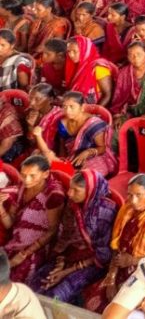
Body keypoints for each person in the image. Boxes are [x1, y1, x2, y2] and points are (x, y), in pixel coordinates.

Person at [30, 169, 115, 302]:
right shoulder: (73, 205)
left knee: (57, 294)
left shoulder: (104, 212)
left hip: (94, 261)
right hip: (70, 253)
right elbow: (65, 235)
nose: (69, 194)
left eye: (76, 190)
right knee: (38, 282)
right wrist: (60, 263)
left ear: (90, 191)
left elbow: (104, 255)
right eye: (70, 188)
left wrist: (66, 271)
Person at [87, 174, 145, 311]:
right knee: (94, 302)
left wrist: (133, 260)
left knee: (131, 310)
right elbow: (116, 247)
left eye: (139, 195)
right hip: (122, 268)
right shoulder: (126, 210)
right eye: (130, 195)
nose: (133, 201)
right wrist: (111, 277)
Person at [0, 156, 64, 284]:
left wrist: (24, 254)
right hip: (17, 241)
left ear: (45, 174)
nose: (27, 180)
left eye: (32, 176)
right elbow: (10, 224)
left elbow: (52, 230)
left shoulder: (53, 194)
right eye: (23, 175)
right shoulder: (22, 186)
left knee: (16, 280)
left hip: (39, 246)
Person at [33, 91, 116, 176]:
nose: (68, 111)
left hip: (94, 156)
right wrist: (64, 161)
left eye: (72, 107)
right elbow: (63, 145)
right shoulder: (62, 123)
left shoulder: (94, 124)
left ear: (82, 107)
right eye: (64, 107)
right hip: (72, 158)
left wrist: (87, 152)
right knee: (43, 162)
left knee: (87, 176)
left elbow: (103, 148)